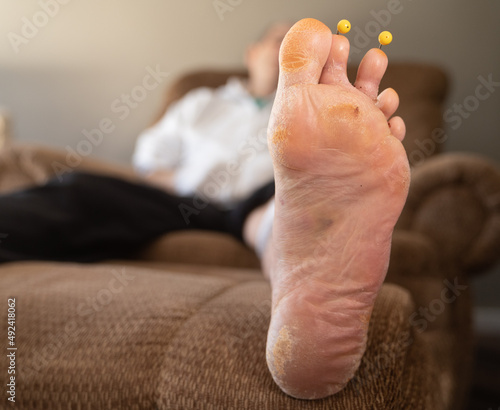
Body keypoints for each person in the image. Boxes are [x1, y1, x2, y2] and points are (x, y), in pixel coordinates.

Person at [0, 17, 410, 400]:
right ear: (251, 53)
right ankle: (301, 244)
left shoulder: (328, 108)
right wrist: (185, 188)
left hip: (271, 196)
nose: (286, 45)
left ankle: (306, 269)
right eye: (276, 39)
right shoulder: (200, 102)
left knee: (284, 207)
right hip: (181, 201)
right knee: (79, 189)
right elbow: (149, 164)